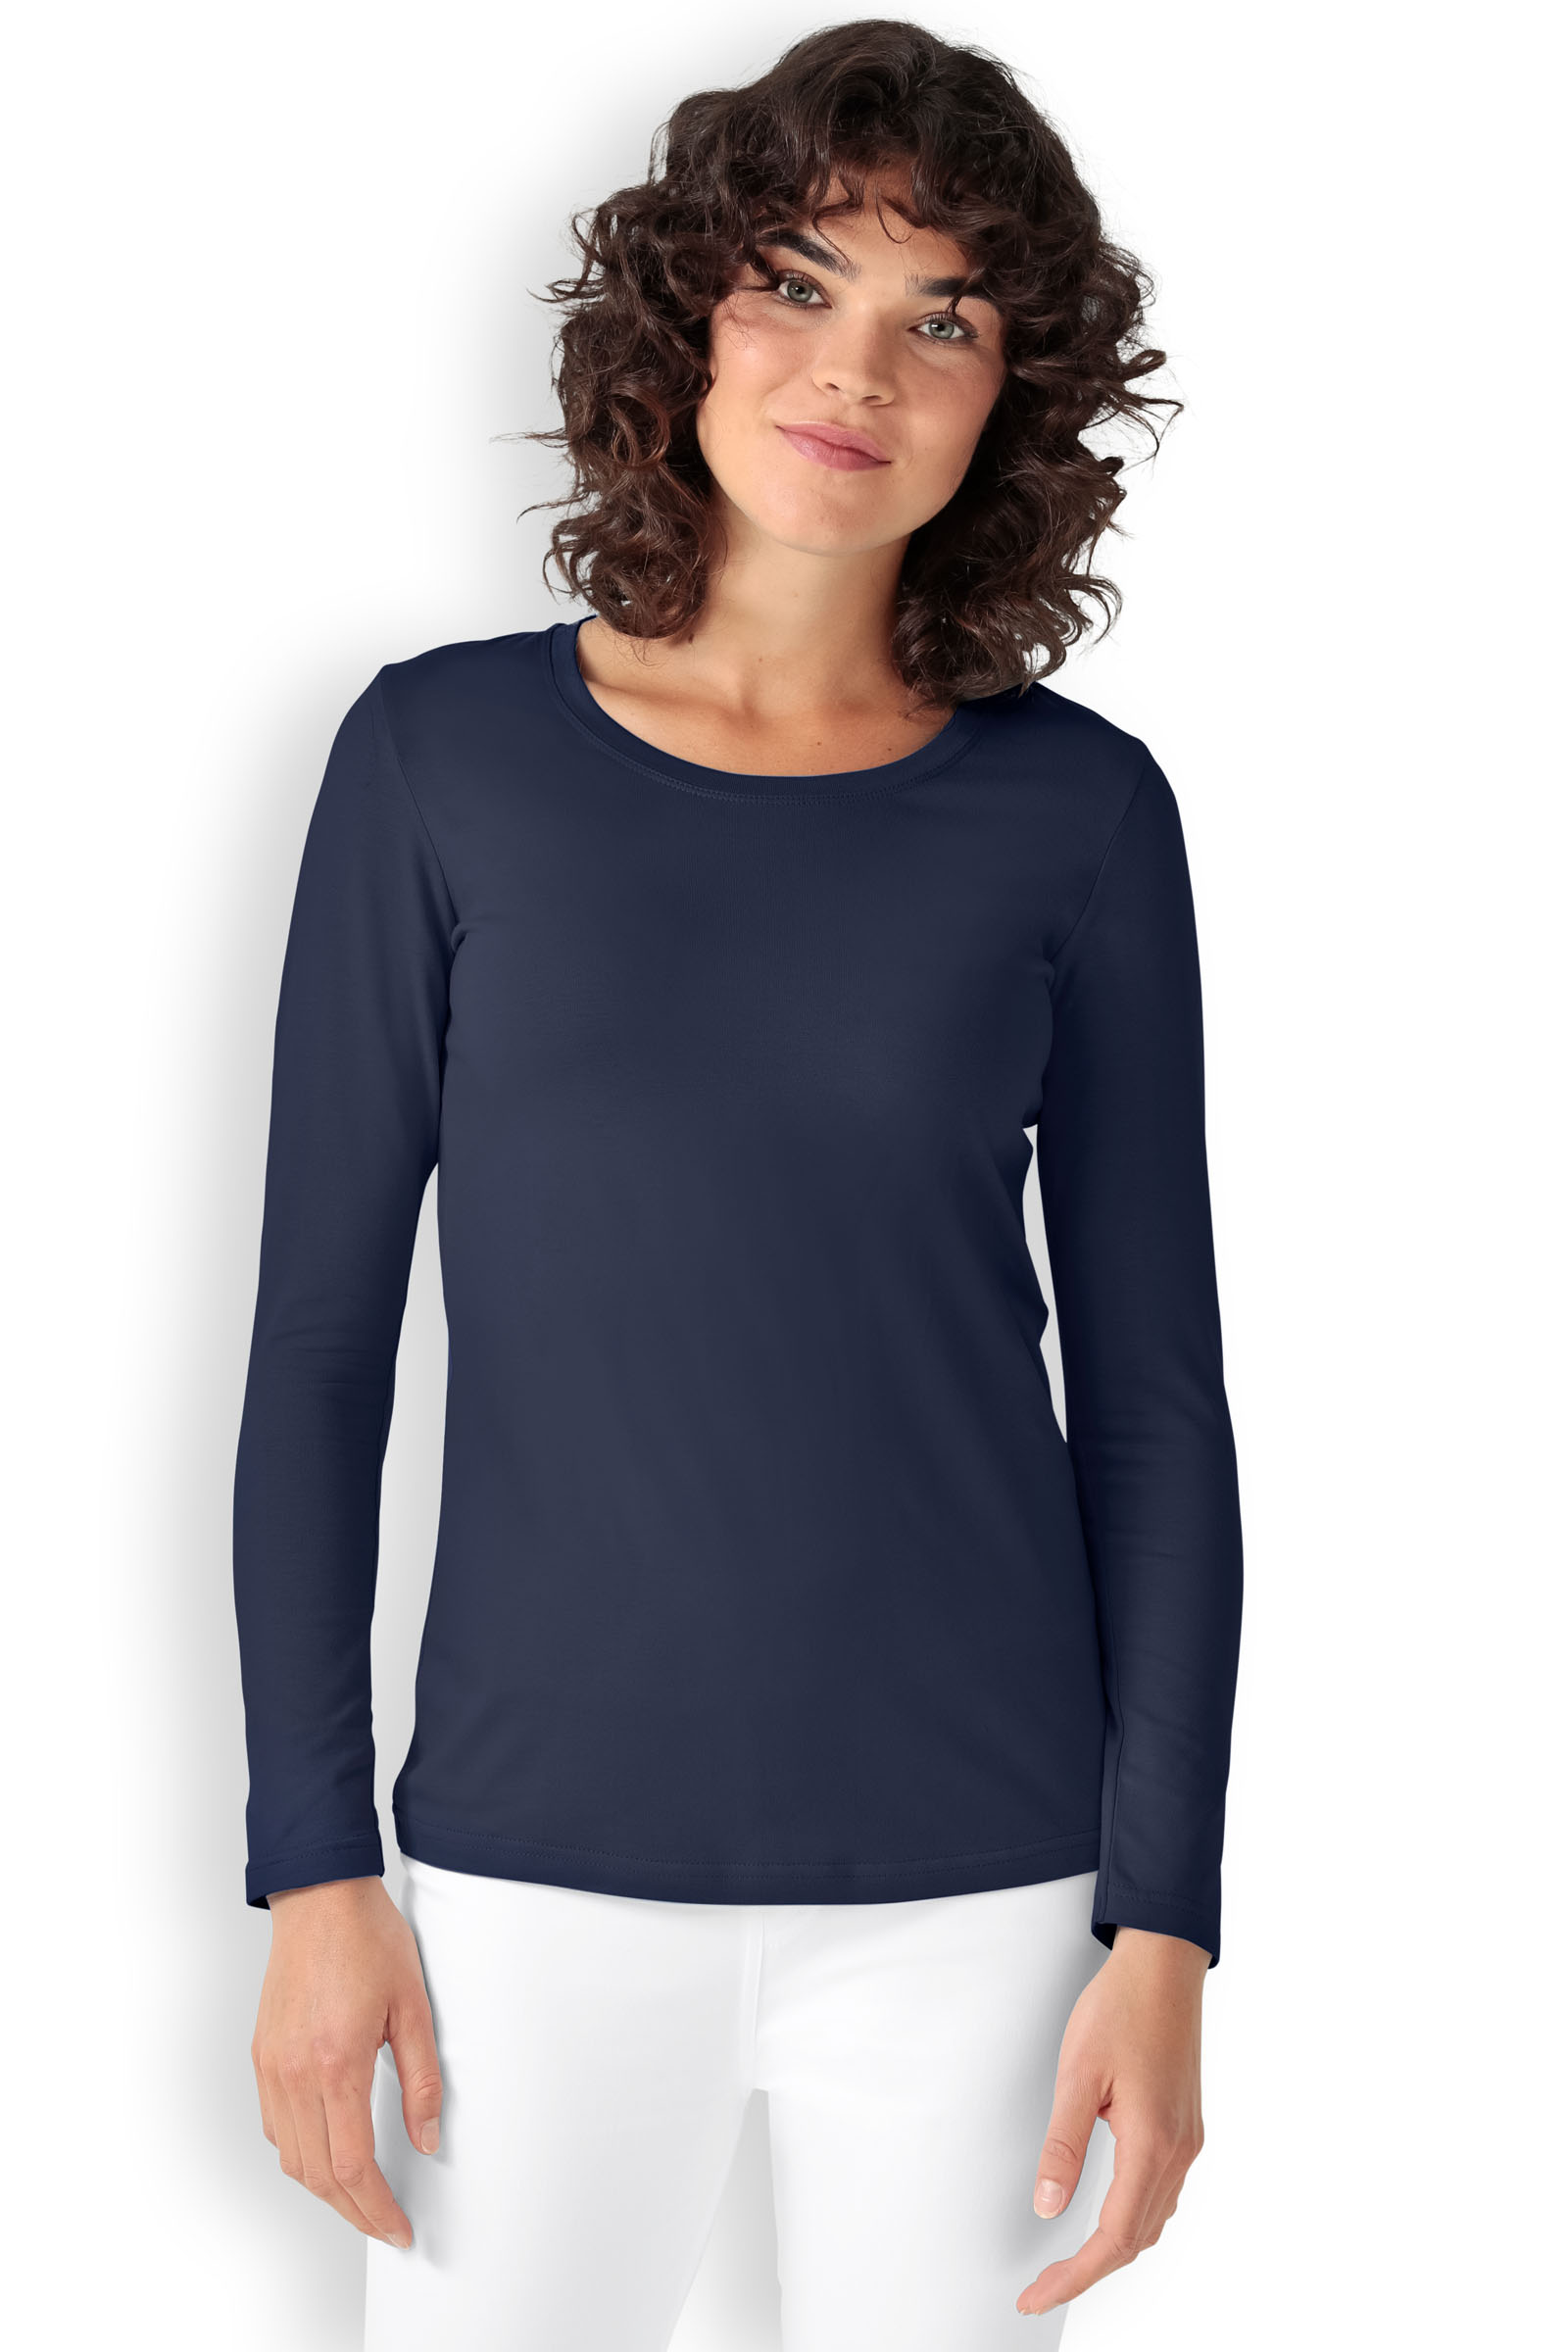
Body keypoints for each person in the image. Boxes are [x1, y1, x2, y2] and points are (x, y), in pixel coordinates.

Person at [233, 21, 1244, 2349]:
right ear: (682, 311)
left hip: (983, 1896)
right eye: (797, 281)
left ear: (1007, 403)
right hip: (520, 1880)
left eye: (940, 319)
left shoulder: (1078, 816)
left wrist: (1164, 1923)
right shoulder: (436, 763)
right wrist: (312, 1870)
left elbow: (1154, 1405)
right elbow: (315, 1352)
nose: (853, 371)